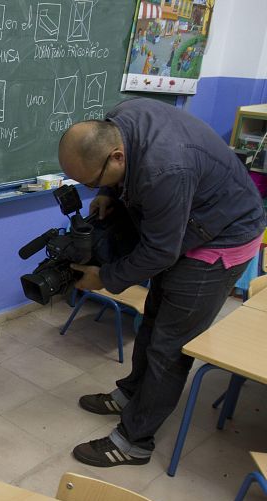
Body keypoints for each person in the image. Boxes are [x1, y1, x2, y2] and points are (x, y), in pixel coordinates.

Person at [58, 98, 266, 467]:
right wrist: (107, 192)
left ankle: (133, 441)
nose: (90, 189)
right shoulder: (123, 117)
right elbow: (160, 242)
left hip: (222, 239)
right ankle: (131, 394)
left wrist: (104, 278)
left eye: (92, 182)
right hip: (190, 221)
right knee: (152, 321)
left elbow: (159, 253)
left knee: (169, 348)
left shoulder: (164, 171)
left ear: (117, 157)